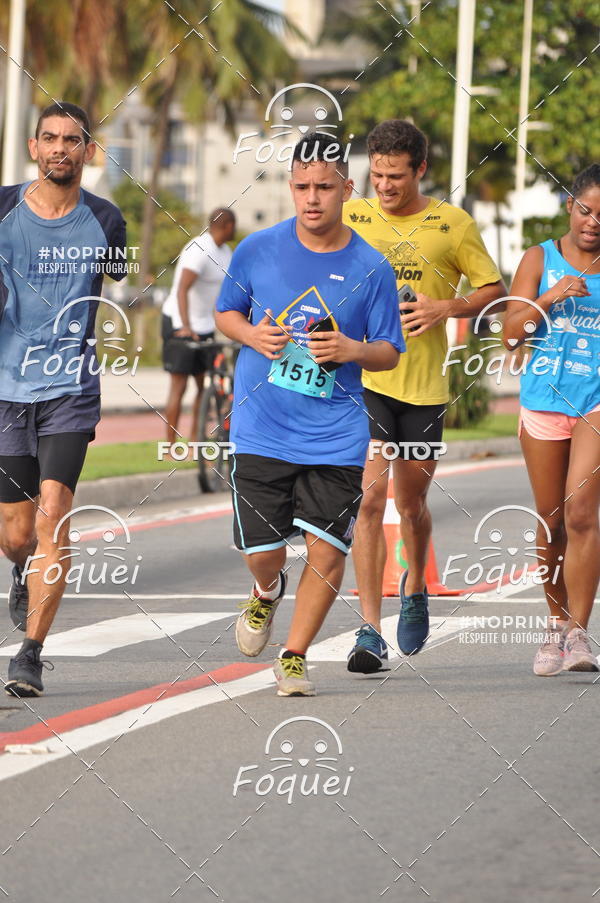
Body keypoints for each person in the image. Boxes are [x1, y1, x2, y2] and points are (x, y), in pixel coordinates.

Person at [215, 133, 404, 696]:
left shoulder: (372, 268)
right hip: (261, 426)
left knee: (327, 547)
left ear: (348, 188)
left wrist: (353, 350)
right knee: (264, 552)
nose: (312, 198)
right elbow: (226, 313)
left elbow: (390, 351)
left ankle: (294, 656)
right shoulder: (256, 249)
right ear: (291, 189)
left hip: (335, 433)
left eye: (324, 187)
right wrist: (251, 333)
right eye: (302, 187)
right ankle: (266, 592)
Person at [343, 119, 506, 672]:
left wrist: (445, 308)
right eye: (378, 174)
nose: (385, 186)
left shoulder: (451, 224)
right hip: (363, 383)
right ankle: (368, 629)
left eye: (397, 176)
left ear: (421, 170)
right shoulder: (353, 215)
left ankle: (415, 586)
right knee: (367, 500)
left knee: (409, 505)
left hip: (424, 390)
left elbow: (493, 290)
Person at [0, 102, 127, 696]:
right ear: (33, 146)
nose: (59, 149)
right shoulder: (1, 208)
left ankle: (30, 652)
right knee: (16, 533)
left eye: (71, 140)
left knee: (55, 517)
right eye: (49, 138)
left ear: (87, 151)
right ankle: (20, 570)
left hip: (69, 388)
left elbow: (116, 285)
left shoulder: (107, 221)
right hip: (5, 389)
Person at [504, 164, 600, 675]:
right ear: (569, 205)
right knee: (553, 519)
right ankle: (556, 625)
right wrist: (549, 296)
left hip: (596, 402)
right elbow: (510, 333)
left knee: (582, 510)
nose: (593, 222)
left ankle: (581, 636)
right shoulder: (539, 258)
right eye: (586, 209)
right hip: (543, 399)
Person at [162, 208, 235, 448]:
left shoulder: (226, 253)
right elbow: (182, 288)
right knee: (179, 386)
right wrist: (185, 326)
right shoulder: (200, 250)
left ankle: (195, 440)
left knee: (204, 385)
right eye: (233, 226)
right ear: (226, 226)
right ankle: (171, 445)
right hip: (179, 322)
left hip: (204, 326)